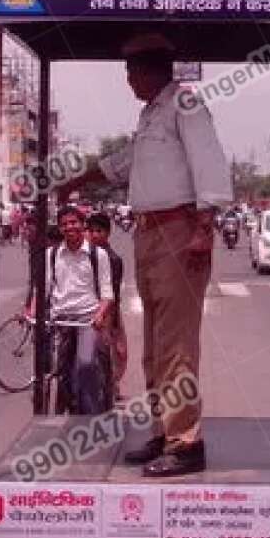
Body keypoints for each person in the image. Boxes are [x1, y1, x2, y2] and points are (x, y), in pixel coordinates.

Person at [62, 32, 231, 476]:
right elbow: (122, 162)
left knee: (176, 343)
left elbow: (209, 163)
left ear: (150, 70)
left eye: (131, 72)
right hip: (149, 233)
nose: (129, 81)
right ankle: (163, 431)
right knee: (155, 343)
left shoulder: (185, 105)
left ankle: (186, 442)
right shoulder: (152, 116)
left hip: (179, 228)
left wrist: (204, 228)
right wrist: (74, 180)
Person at [40, 207, 114, 415]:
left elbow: (107, 293)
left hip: (87, 319)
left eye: (73, 222)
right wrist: (30, 312)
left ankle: (93, 417)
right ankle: (65, 408)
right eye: (64, 224)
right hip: (60, 319)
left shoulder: (97, 255)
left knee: (86, 363)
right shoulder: (52, 254)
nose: (69, 227)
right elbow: (44, 288)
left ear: (83, 225)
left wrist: (100, 315)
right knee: (57, 370)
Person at [86, 211, 126, 402]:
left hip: (108, 311)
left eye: (99, 231)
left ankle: (112, 385)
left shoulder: (114, 260)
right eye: (91, 231)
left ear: (108, 233)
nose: (94, 235)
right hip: (87, 310)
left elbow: (114, 294)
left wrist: (114, 322)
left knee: (118, 352)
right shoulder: (84, 256)